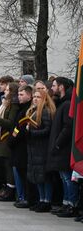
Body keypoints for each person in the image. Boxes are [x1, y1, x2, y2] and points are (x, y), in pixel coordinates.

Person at [47, 77, 77, 218]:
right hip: (59, 148)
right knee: (63, 177)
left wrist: (57, 143)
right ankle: (66, 203)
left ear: (61, 87)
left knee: (66, 178)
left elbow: (67, 127)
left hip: (63, 149)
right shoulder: (62, 103)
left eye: (54, 85)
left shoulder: (67, 105)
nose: (52, 88)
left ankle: (71, 204)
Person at [26, 89, 56, 212]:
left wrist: (32, 132)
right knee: (37, 176)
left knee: (44, 177)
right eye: (34, 97)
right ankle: (41, 199)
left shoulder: (45, 111)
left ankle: (46, 201)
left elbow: (47, 130)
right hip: (34, 147)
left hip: (42, 147)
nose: (35, 99)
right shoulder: (34, 111)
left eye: (38, 97)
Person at [0, 82, 20, 201]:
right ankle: (6, 187)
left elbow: (11, 122)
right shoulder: (5, 103)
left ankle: (10, 189)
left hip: (6, 137)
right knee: (3, 164)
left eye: (8, 90)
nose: (5, 92)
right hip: (1, 137)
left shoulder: (13, 105)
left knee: (8, 165)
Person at [9, 85, 33, 208]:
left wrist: (13, 137)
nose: (19, 97)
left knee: (22, 173)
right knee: (17, 171)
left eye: (22, 94)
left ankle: (24, 197)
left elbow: (20, 128)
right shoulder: (20, 108)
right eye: (18, 94)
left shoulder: (27, 109)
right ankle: (21, 196)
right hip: (16, 145)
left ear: (29, 95)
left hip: (22, 146)